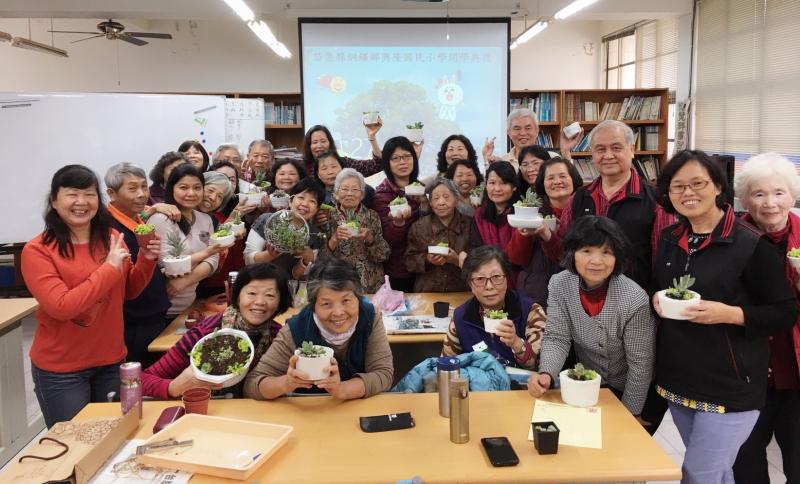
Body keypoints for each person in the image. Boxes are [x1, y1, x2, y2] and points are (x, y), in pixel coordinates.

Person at [652, 150, 797, 484]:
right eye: (678, 187)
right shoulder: (670, 238)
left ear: (717, 186)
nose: (688, 193)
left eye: (698, 183)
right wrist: (656, 299)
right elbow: (660, 287)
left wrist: (730, 314)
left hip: (731, 384)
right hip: (680, 377)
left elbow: (784, 312)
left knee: (699, 473)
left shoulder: (751, 245)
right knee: (717, 473)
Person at [21, 165, 159, 427]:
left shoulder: (111, 237)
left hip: (111, 360)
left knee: (115, 439)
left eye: (89, 194)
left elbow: (128, 291)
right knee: (75, 448)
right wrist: (108, 268)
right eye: (72, 194)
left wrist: (147, 260)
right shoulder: (37, 250)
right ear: (54, 200)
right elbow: (62, 307)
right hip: (62, 370)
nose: (81, 202)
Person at [527, 216, 655, 417]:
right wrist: (546, 373)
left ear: (617, 258)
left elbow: (641, 365)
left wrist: (631, 413)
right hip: (585, 384)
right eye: (586, 251)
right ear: (572, 254)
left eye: (606, 253)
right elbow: (556, 337)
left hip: (627, 389)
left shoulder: (634, 298)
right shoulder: (559, 284)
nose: (596, 261)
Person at [538, 120, 673, 293]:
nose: (608, 155)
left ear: (631, 150)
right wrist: (546, 235)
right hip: (584, 299)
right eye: (600, 149)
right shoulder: (579, 198)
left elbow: (663, 262)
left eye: (616, 148)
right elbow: (565, 253)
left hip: (634, 302)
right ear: (592, 153)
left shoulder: (655, 201)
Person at [730, 153, 800, 483]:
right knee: (746, 467)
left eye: (778, 193)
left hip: (796, 372)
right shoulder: (733, 238)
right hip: (749, 374)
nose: (770, 203)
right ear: (745, 200)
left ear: (792, 195)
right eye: (759, 194)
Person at [244, 258, 394, 400]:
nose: (338, 312)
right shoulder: (296, 329)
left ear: (358, 298)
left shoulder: (370, 318)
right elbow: (252, 384)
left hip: (359, 412)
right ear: (313, 305)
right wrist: (286, 383)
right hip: (309, 415)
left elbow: (384, 374)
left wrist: (341, 390)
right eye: (326, 304)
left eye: (346, 300)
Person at [142, 263, 292, 398]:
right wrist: (173, 387)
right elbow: (143, 380)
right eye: (251, 293)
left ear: (280, 302)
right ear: (237, 295)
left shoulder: (280, 337)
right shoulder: (206, 331)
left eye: (270, 295)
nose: (260, 302)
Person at [104, 162, 171, 367]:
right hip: (132, 321)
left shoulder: (141, 220)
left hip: (154, 314)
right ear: (111, 193)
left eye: (144, 186)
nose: (142, 194)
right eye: (132, 189)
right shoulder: (108, 229)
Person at [442, 246, 545, 370]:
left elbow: (542, 367)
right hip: (479, 387)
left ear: (507, 278)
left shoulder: (530, 311)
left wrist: (516, 343)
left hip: (524, 388)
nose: (489, 286)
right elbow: (446, 366)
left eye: (496, 277)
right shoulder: (461, 317)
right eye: (480, 279)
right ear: (470, 284)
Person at [149, 164, 223, 319]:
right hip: (162, 308)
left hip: (189, 304)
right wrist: (205, 254)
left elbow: (213, 259)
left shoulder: (205, 220)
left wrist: (186, 280)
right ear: (171, 189)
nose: (191, 193)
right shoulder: (161, 219)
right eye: (183, 187)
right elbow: (169, 266)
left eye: (197, 187)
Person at [506, 156, 584, 304]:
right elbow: (516, 259)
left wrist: (547, 234)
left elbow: (572, 259)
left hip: (575, 295)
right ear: (542, 183)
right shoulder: (532, 211)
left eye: (562, 176)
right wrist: (524, 233)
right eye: (550, 178)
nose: (557, 182)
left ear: (573, 179)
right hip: (535, 293)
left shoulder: (585, 209)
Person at [322, 168, 390, 293]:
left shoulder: (372, 216)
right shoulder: (326, 217)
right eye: (344, 189)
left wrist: (370, 239)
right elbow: (319, 260)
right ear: (336, 193)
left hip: (370, 284)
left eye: (355, 189)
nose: (349, 194)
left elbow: (384, 256)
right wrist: (334, 239)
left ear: (362, 194)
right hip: (338, 283)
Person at [373, 136, 426, 292]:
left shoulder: (422, 189)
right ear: (387, 164)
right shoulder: (382, 195)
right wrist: (398, 224)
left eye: (407, 156)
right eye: (395, 158)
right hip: (399, 270)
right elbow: (387, 242)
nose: (402, 162)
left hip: (426, 266)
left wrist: (426, 204)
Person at [244, 178, 324, 281]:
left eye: (312, 201)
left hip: (287, 289)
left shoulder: (314, 235)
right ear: (290, 201)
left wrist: (307, 259)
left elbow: (296, 275)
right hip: (258, 281)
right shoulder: (267, 220)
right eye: (301, 197)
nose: (305, 204)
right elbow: (248, 260)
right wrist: (269, 255)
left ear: (317, 209)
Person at [405, 178, 472, 292]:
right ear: (430, 202)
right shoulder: (419, 226)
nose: (441, 202)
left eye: (446, 197)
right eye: (436, 198)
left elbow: (480, 260)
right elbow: (409, 261)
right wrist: (427, 259)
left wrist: (457, 260)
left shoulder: (470, 225)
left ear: (456, 199)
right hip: (428, 291)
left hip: (461, 290)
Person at [482, 108, 581, 171]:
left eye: (528, 128)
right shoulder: (503, 162)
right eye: (517, 128)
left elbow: (571, 184)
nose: (523, 133)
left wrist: (566, 152)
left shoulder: (553, 158)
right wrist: (486, 160)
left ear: (537, 131)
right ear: (509, 133)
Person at [471, 162, 519, 277]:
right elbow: (476, 249)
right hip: (489, 278)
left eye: (504, 183)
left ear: (514, 187)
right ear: (486, 185)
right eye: (492, 183)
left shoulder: (521, 214)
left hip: (517, 280)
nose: (497, 188)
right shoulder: (479, 215)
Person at [302, 124, 383, 178]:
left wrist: (372, 137)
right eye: (315, 142)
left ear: (330, 143)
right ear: (309, 146)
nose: (319, 146)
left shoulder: (344, 162)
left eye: (323, 141)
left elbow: (376, 165)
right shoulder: (303, 168)